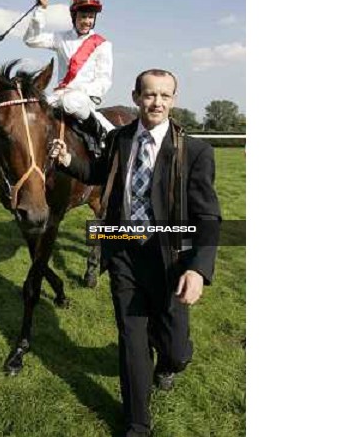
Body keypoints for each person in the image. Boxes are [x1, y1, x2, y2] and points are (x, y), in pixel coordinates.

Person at [49, 69, 221, 437]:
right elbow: (97, 172)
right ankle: (137, 424)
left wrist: (198, 269)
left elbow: (208, 215)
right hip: (125, 253)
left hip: (171, 260)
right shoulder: (119, 139)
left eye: (164, 95)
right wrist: (67, 161)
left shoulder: (195, 151)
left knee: (174, 349)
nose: (156, 102)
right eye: (149, 95)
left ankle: (173, 360)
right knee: (132, 340)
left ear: (173, 99)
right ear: (135, 96)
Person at [23, 0, 114, 150]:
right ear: (74, 16)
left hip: (83, 100)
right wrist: (41, 11)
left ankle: (102, 132)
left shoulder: (103, 44)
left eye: (90, 17)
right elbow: (31, 40)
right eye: (83, 16)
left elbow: (104, 80)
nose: (87, 21)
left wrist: (80, 91)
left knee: (71, 101)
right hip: (58, 97)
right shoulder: (61, 38)